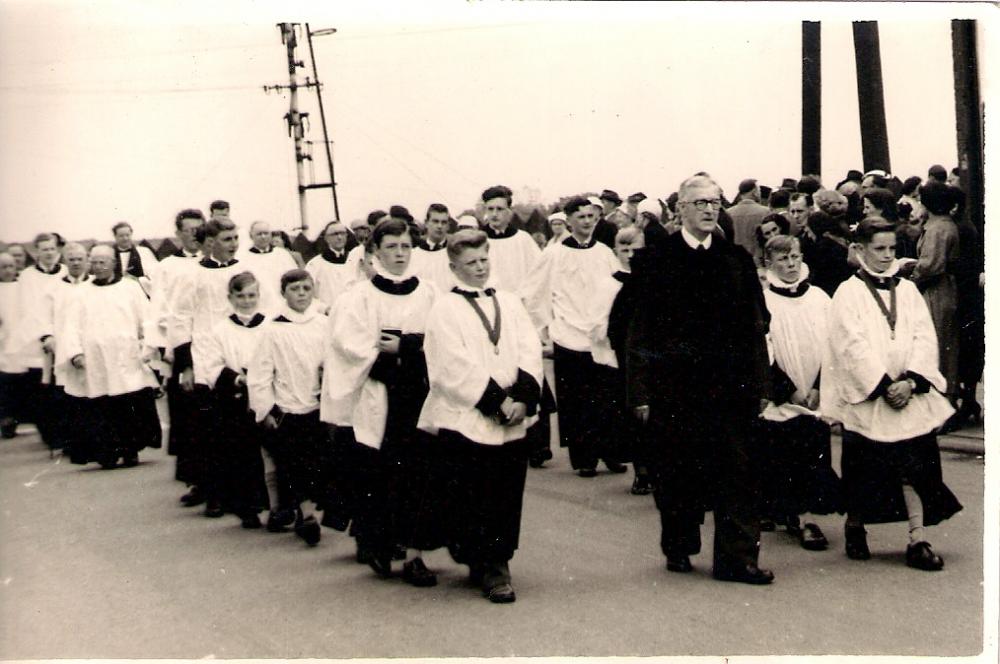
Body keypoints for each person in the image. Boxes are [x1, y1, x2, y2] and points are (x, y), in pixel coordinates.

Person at [626, 173, 773, 585]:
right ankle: (679, 543)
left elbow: (756, 326)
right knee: (678, 474)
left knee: (739, 474)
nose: (710, 210)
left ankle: (737, 560)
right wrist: (640, 392)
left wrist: (762, 386)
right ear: (681, 210)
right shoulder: (657, 260)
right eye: (701, 203)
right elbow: (639, 332)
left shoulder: (737, 260)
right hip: (676, 391)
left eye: (715, 203)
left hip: (731, 388)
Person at [821, 217, 961, 571]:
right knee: (863, 468)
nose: (886, 256)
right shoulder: (848, 293)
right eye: (878, 249)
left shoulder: (909, 291)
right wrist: (883, 385)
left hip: (908, 393)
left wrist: (912, 381)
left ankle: (918, 537)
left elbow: (923, 336)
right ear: (860, 250)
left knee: (914, 467)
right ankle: (856, 525)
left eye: (892, 250)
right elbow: (849, 345)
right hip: (869, 396)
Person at [418, 229, 542, 603]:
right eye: (470, 263)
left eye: (484, 260)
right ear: (454, 266)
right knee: (475, 492)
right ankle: (482, 559)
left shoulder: (509, 301)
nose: (479, 268)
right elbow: (450, 365)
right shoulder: (445, 309)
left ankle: (497, 561)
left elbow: (529, 347)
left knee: (505, 492)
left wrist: (522, 397)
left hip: (512, 414)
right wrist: (495, 402)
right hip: (470, 415)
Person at [320, 218, 440, 581]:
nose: (400, 254)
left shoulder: (431, 293)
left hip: (419, 393)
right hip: (378, 395)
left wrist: (408, 346)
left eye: (405, 246)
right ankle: (378, 541)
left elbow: (442, 338)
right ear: (374, 253)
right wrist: (389, 357)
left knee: (420, 472)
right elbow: (349, 346)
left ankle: (415, 554)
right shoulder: (359, 297)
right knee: (381, 471)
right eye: (391, 247)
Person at [168, 218, 279, 514]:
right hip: (208, 358)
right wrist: (186, 366)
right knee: (211, 433)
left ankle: (253, 498)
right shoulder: (191, 275)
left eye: (235, 237)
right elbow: (179, 320)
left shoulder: (249, 271)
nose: (234, 243)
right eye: (227, 238)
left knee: (246, 434)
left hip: (246, 354)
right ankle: (213, 493)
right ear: (210, 242)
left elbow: (269, 307)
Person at [522, 196, 623, 478]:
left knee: (606, 395)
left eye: (591, 216)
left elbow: (617, 286)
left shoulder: (604, 252)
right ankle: (585, 457)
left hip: (599, 334)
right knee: (577, 399)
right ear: (569, 221)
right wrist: (543, 326)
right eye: (581, 217)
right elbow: (534, 289)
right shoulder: (554, 254)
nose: (587, 222)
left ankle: (610, 451)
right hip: (567, 333)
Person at [758, 236, 842, 548]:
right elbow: (763, 351)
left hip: (817, 389)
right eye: (783, 260)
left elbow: (835, 344)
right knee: (785, 452)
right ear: (770, 264)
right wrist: (788, 390)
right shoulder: (764, 301)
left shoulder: (820, 298)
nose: (791, 264)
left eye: (794, 257)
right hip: (786, 393)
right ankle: (794, 513)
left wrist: (821, 386)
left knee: (815, 453)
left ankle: (809, 517)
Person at [59, 245, 161, 468]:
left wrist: (148, 347)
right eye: (94, 262)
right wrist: (75, 353)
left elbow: (147, 318)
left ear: (114, 263)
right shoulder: (81, 293)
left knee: (128, 402)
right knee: (100, 405)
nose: (98, 266)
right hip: (95, 360)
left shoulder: (130, 288)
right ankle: (106, 452)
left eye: (103, 261)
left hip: (126, 357)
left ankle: (131, 449)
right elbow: (70, 326)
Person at [248, 270, 327, 544]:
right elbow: (259, 374)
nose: (302, 293)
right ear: (284, 293)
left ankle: (305, 509)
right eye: (295, 289)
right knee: (294, 463)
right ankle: (306, 514)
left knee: (317, 462)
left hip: (318, 406)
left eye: (306, 288)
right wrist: (265, 409)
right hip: (287, 408)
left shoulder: (324, 324)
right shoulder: (272, 329)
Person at [192, 271, 271, 529]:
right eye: (241, 296)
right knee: (241, 453)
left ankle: (282, 507)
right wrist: (238, 378)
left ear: (259, 296)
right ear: (230, 298)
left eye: (251, 295)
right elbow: (211, 364)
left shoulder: (271, 325)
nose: (247, 301)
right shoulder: (220, 330)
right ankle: (248, 507)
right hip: (236, 397)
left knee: (273, 452)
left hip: (268, 393)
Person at [596, 227, 652, 495]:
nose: (631, 256)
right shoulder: (610, 284)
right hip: (624, 357)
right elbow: (599, 322)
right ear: (616, 252)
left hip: (655, 356)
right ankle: (641, 471)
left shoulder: (655, 280)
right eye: (625, 250)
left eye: (636, 250)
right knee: (636, 414)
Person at [12, 233, 66, 450]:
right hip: (38, 340)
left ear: (57, 250)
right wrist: (43, 334)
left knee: (63, 387)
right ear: (36, 252)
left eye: (52, 248)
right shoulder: (27, 277)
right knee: (42, 390)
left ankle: (66, 434)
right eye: (44, 249)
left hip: (62, 336)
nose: (49, 253)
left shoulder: (64, 272)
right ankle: (50, 435)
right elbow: (27, 309)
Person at [909, 180, 959, 401]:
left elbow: (929, 265)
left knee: (937, 341)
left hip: (936, 291)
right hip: (943, 288)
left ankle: (941, 395)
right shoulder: (942, 224)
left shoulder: (937, 229)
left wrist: (910, 274)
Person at [46, 243, 94, 460]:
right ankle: (68, 442)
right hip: (63, 347)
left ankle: (92, 442)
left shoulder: (94, 285)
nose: (75, 262)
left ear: (87, 261)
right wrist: (49, 337)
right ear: (65, 261)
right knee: (67, 396)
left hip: (90, 347)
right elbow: (45, 316)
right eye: (71, 259)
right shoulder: (55, 288)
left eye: (79, 258)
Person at [480, 186, 542, 292]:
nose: (494, 214)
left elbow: (538, 272)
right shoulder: (477, 240)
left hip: (518, 301)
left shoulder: (523, 239)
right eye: (490, 209)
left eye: (499, 209)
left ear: (509, 211)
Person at [0, 252, 27, 438]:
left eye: (11, 266)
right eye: (3, 267)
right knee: (6, 381)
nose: (8, 270)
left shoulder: (23, 287)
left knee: (24, 379)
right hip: (4, 340)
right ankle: (7, 419)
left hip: (23, 339)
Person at [241, 221, 298, 308]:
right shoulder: (243, 258)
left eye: (266, 233)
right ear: (251, 236)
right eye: (259, 234)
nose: (263, 237)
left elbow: (294, 280)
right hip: (257, 307)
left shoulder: (282, 254)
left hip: (283, 305)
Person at [305, 220, 360, 310]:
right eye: (334, 234)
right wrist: (324, 309)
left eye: (342, 233)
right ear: (326, 238)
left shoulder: (355, 260)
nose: (339, 237)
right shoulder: (315, 265)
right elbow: (308, 294)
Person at [409, 203, 454, 292]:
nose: (439, 226)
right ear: (426, 223)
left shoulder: (455, 255)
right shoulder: (414, 255)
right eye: (435, 221)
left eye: (443, 222)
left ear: (448, 226)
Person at [727, 178, 771, 261]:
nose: (760, 193)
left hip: (735, 260)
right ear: (754, 192)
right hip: (757, 259)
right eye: (759, 190)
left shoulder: (728, 213)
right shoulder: (765, 211)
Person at [111, 221, 158, 296]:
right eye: (121, 236)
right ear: (115, 236)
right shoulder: (109, 254)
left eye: (127, 235)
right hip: (115, 295)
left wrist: (136, 279)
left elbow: (156, 277)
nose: (125, 238)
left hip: (139, 295)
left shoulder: (144, 252)